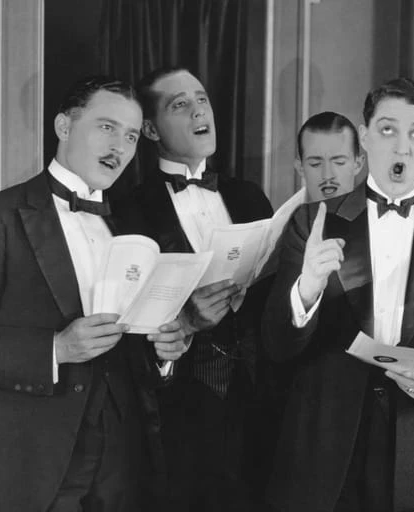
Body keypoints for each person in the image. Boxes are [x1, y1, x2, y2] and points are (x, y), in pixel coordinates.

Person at [262, 77, 414, 512]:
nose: (402, 147)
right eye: (388, 130)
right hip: (325, 449)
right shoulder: (311, 221)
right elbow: (275, 346)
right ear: (366, 138)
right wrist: (306, 289)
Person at [0, 75, 189, 511]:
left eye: (131, 135)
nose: (119, 146)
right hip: (28, 464)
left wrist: (162, 352)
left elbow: (130, 345)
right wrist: (56, 349)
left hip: (120, 467)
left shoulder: (129, 230)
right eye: (106, 127)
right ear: (64, 127)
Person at [123, 66, 274, 510]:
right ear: (150, 128)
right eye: (180, 104)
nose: (198, 110)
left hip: (258, 402)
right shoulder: (129, 210)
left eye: (202, 98)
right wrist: (186, 322)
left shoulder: (250, 197)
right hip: (178, 413)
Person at [296, 111, 364, 202]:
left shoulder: (381, 215)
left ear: (358, 165)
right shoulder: (286, 215)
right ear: (300, 168)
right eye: (315, 164)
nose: (327, 175)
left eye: (339, 163)